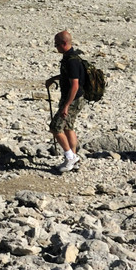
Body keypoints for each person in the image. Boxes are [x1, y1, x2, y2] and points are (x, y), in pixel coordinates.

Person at [44, 30, 85, 174]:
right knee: (68, 127)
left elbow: (75, 84)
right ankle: (75, 159)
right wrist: (53, 79)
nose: (56, 47)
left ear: (64, 43)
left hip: (72, 100)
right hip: (76, 99)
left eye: (56, 45)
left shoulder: (72, 61)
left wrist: (66, 105)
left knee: (55, 127)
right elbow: (67, 76)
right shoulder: (70, 58)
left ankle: (70, 157)